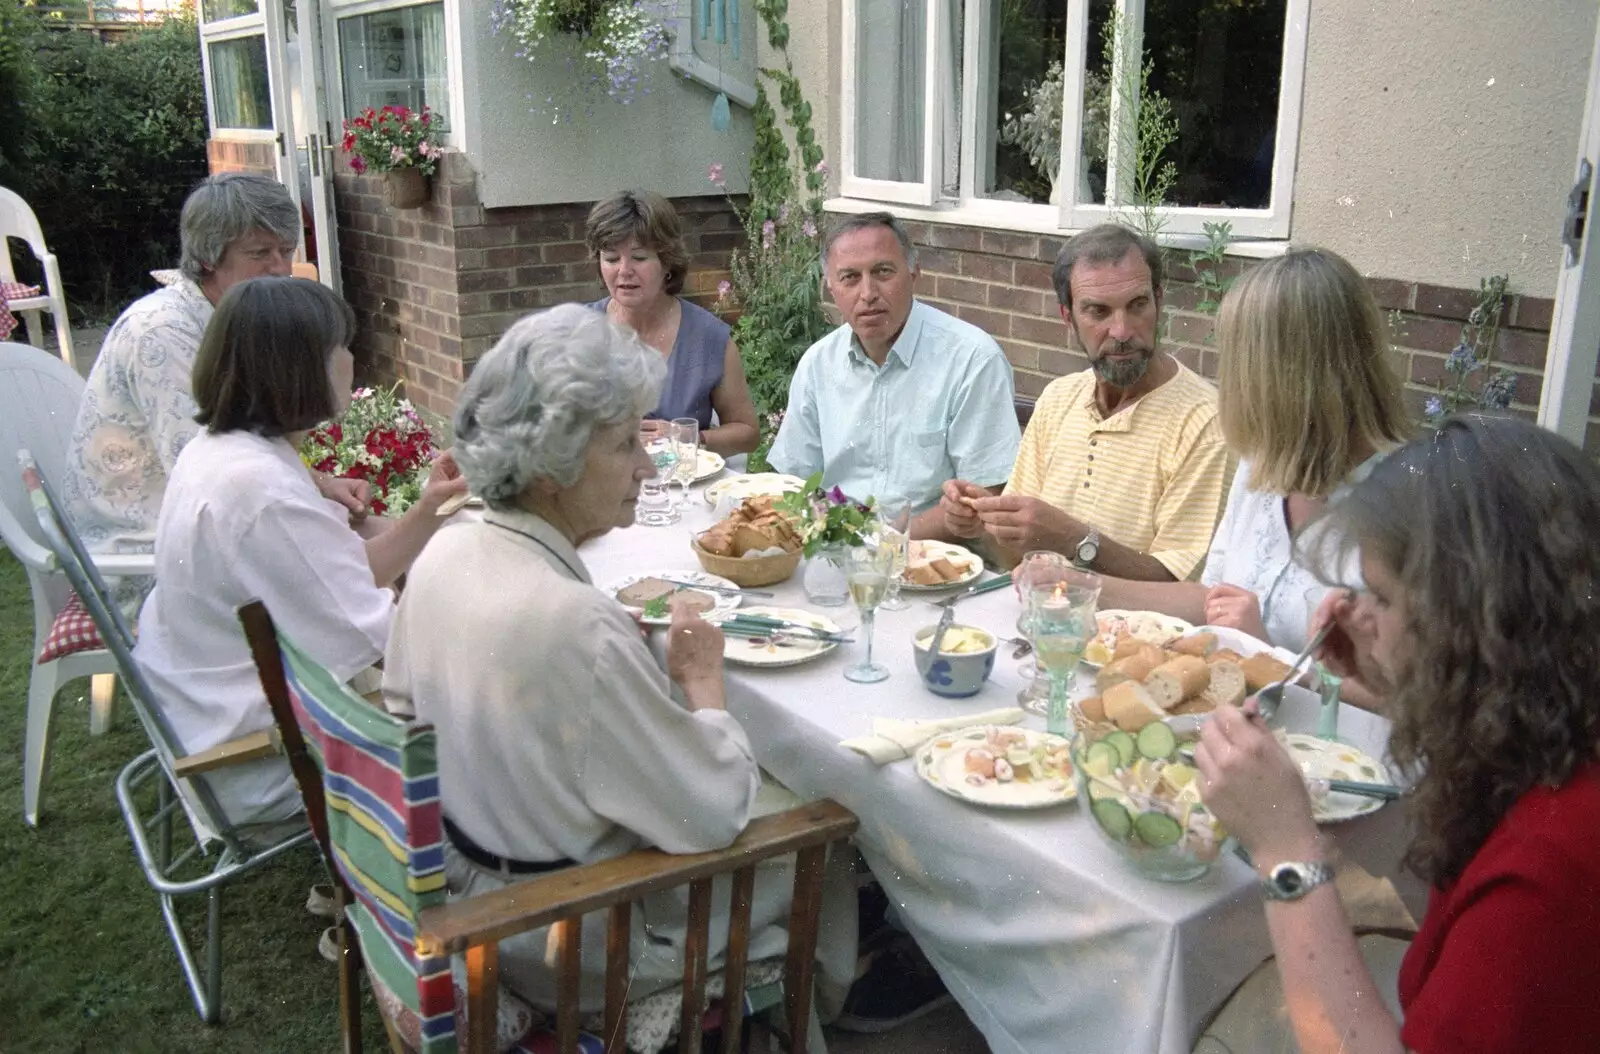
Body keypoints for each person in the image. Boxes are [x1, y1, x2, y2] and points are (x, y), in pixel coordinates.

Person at [381, 303, 854, 1019]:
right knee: (834, 832)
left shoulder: (447, 548)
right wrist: (703, 687)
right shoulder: (575, 622)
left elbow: (404, 711)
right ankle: (831, 1004)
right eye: (624, 444)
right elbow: (714, 812)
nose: (646, 464)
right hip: (573, 943)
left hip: (479, 881)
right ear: (550, 469)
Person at [1195, 415, 1600, 1053]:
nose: (1359, 616)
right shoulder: (1558, 733)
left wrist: (1286, 851)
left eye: (1380, 598)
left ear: (1468, 623)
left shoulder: (1548, 868)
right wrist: (1394, 680)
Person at [133, 276, 465, 836]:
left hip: (220, 710)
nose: (352, 359)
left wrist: (432, 511)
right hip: (259, 754)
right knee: (485, 703)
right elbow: (377, 632)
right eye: (341, 348)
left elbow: (345, 572)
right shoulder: (259, 492)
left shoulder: (224, 449)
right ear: (297, 367)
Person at [1094, 247, 1411, 662]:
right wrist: (1076, 587)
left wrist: (1266, 652)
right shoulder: (1262, 463)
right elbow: (1213, 601)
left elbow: (1404, 699)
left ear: (1288, 378)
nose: (1231, 380)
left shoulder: (1407, 507)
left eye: (1239, 361)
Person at [61, 174, 370, 580]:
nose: (280, 268)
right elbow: (210, 469)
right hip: (143, 556)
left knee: (365, 541)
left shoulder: (234, 316)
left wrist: (321, 484)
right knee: (357, 571)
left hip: (206, 528)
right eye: (260, 252)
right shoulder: (160, 333)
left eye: (286, 250)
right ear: (209, 258)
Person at [939, 223, 1229, 579]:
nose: (1122, 331)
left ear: (1159, 301)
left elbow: (1180, 583)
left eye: (1138, 305)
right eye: (1098, 311)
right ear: (1068, 317)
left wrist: (1076, 540)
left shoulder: (1204, 422)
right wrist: (980, 524)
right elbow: (1015, 558)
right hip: (1040, 618)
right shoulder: (1059, 398)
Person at [767, 212, 1021, 536]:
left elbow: (984, 498)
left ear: (914, 272)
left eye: (883, 271)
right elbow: (794, 480)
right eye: (849, 277)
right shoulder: (818, 364)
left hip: (935, 563)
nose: (868, 293)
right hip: (834, 549)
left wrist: (878, 545)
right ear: (829, 286)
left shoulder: (972, 360)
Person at [585, 190, 759, 455]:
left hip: (682, 488)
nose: (624, 270)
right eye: (611, 259)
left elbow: (747, 433)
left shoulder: (709, 338)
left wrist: (688, 437)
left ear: (667, 262)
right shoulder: (577, 334)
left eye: (639, 257)